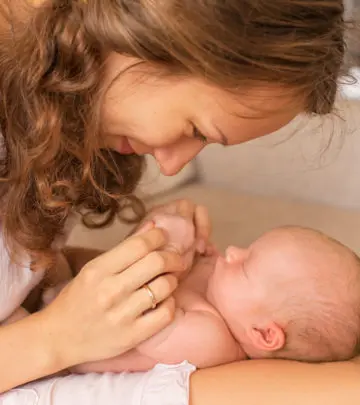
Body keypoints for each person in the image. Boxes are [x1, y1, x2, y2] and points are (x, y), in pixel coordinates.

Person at [0, 0, 359, 404]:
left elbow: (26, 276)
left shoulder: (52, 124)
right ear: (152, 38)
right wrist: (56, 336)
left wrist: (144, 258)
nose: (170, 166)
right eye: (195, 128)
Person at [36, 215, 360, 373]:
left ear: (263, 333)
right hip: (62, 300)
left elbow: (140, 316)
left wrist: (170, 252)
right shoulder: (219, 292)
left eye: (245, 266)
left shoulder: (209, 339)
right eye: (248, 248)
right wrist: (193, 251)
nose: (233, 251)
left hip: (52, 349)